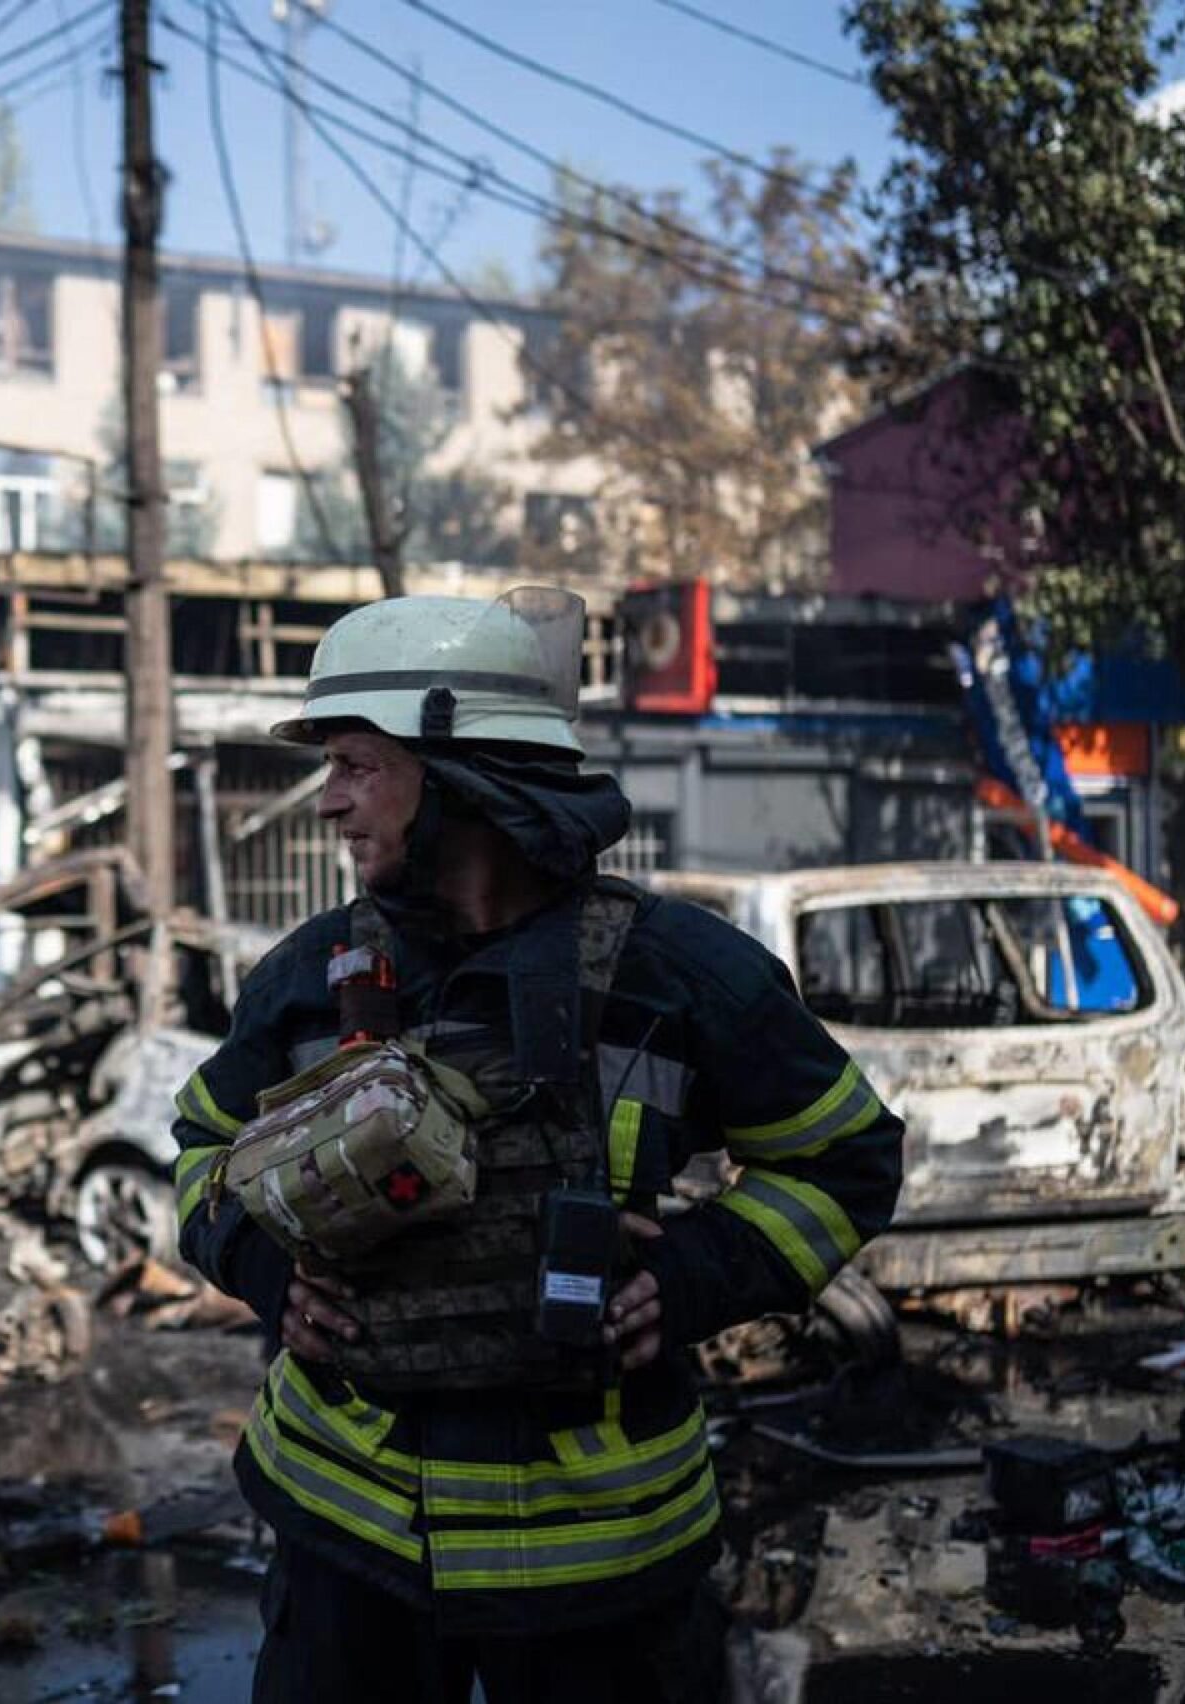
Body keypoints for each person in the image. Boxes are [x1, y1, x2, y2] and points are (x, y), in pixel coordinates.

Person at [171, 590, 905, 1704]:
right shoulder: (306, 977)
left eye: (356, 765)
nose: (329, 804)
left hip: (599, 1571)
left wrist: (693, 1275)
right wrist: (266, 1270)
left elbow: (846, 1158)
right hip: (346, 1547)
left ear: (459, 775)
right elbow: (200, 1150)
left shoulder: (684, 978)